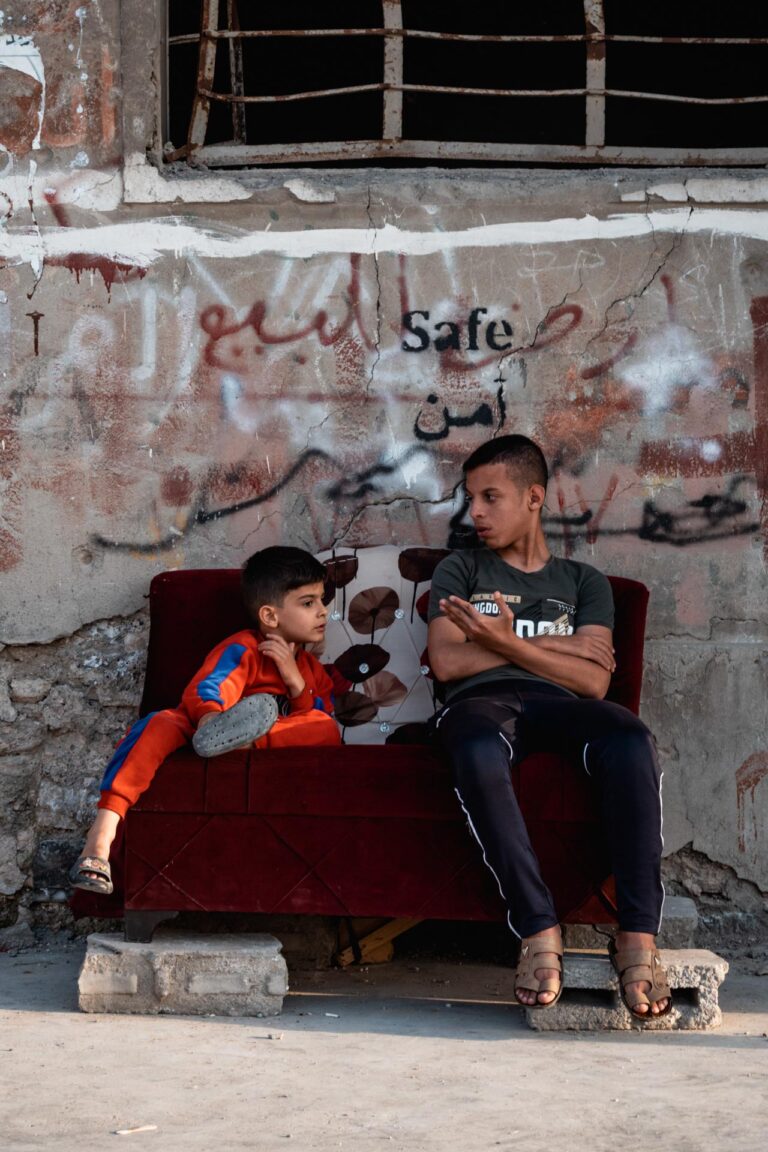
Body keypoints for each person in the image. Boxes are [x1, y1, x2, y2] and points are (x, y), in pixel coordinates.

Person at [427, 435, 671, 1021]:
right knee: (475, 747)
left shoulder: (584, 582)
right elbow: (448, 663)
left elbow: (593, 682)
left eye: (490, 497)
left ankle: (638, 935)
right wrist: (559, 646)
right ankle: (538, 928)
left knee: (630, 739)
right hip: (481, 704)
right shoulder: (460, 568)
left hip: (564, 705)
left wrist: (501, 640)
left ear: (533, 498)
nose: (475, 512)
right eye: (469, 498)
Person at [70, 546, 340, 895]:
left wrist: (295, 681)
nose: (322, 611)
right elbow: (209, 687)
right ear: (270, 616)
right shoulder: (246, 647)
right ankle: (100, 839)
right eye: (308, 603)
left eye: (322, 600)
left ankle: (241, 741)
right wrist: (212, 718)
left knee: (325, 727)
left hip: (264, 738)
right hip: (201, 727)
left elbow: (317, 720)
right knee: (158, 724)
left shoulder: (312, 671)